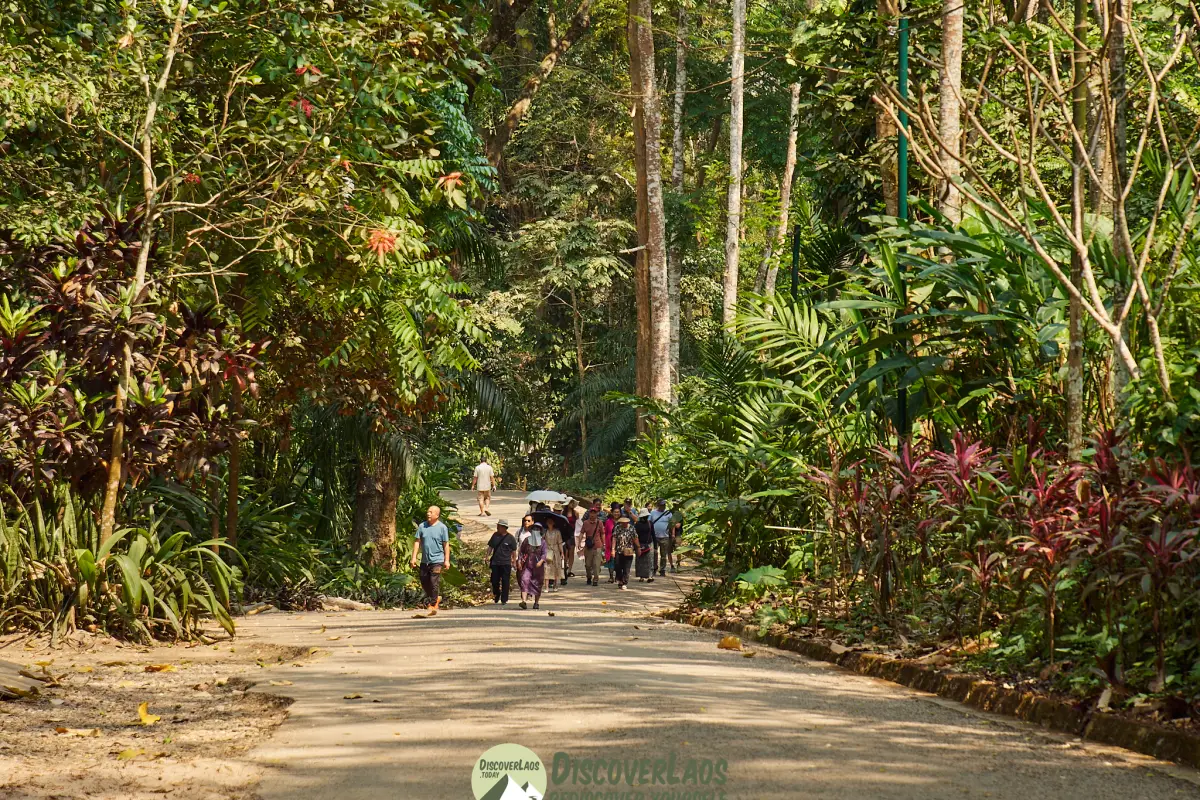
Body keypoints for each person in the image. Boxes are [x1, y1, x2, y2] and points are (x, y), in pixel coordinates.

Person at [410, 505, 450, 614]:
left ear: (437, 515)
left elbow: (446, 544)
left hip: (437, 559)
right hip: (425, 560)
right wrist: (413, 558)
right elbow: (417, 542)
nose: (428, 513)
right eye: (428, 511)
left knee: (434, 581)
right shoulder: (422, 526)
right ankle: (435, 597)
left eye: (431, 512)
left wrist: (446, 560)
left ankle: (433, 604)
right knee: (424, 580)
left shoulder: (442, 528)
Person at [486, 519, 518, 605]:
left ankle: (504, 598)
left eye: (499, 526)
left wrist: (514, 562)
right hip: (495, 562)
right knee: (494, 580)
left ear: (504, 528)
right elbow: (490, 547)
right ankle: (497, 594)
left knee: (505, 581)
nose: (497, 528)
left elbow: (514, 551)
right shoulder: (495, 535)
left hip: (506, 562)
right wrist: (487, 556)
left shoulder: (510, 538)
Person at [517, 523, 547, 610]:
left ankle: (536, 602)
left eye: (537, 529)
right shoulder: (526, 540)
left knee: (538, 583)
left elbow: (544, 553)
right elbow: (521, 551)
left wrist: (541, 561)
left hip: (538, 567)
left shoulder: (543, 542)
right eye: (534, 529)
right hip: (528, 564)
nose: (535, 531)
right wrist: (519, 561)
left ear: (540, 531)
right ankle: (524, 601)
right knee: (524, 579)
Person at [579, 500, 605, 586]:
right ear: (589, 513)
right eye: (591, 513)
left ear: (597, 514)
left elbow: (602, 533)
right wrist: (579, 543)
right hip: (588, 546)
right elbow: (582, 533)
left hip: (598, 546)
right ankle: (589, 576)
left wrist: (604, 544)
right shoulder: (586, 523)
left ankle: (596, 579)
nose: (593, 514)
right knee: (587, 564)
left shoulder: (599, 523)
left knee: (596, 564)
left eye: (594, 513)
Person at [611, 515, 637, 590]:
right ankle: (620, 579)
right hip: (619, 550)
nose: (624, 523)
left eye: (625, 522)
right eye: (622, 522)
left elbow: (635, 538)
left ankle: (624, 582)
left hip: (628, 550)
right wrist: (613, 549)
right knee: (617, 565)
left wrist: (638, 547)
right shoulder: (617, 527)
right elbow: (614, 538)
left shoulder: (632, 528)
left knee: (626, 568)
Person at [649, 499, 674, 577]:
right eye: (661, 505)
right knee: (654, 554)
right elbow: (649, 523)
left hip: (665, 537)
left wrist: (673, 534)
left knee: (663, 555)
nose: (663, 506)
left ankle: (662, 569)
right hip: (655, 537)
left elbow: (672, 524)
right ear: (658, 505)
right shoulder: (653, 513)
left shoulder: (668, 513)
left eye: (664, 505)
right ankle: (654, 569)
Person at [543, 518, 566, 592]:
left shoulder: (557, 532)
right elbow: (542, 542)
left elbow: (559, 542)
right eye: (548, 522)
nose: (550, 523)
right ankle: (546, 587)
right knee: (547, 568)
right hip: (548, 550)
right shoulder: (545, 532)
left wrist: (562, 552)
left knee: (556, 567)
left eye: (551, 522)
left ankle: (555, 585)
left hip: (556, 551)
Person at [634, 508, 655, 582]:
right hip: (640, 544)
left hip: (649, 543)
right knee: (640, 561)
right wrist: (635, 546)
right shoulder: (637, 524)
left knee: (650, 560)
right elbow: (635, 536)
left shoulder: (650, 523)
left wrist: (655, 546)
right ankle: (641, 576)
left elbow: (653, 534)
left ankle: (650, 576)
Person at [562, 501, 579, 585]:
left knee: (571, 551)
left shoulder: (575, 513)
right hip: (565, 533)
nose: (572, 505)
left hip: (572, 533)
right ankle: (565, 566)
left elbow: (578, 523)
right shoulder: (563, 512)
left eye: (573, 503)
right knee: (566, 552)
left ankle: (570, 570)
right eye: (570, 503)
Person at [604, 502, 619, 583]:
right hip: (609, 543)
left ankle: (618, 576)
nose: (616, 513)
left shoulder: (622, 521)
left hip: (620, 544)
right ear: (612, 513)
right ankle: (611, 576)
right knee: (610, 560)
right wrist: (604, 543)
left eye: (618, 512)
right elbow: (605, 532)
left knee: (618, 560)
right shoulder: (608, 521)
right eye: (615, 512)